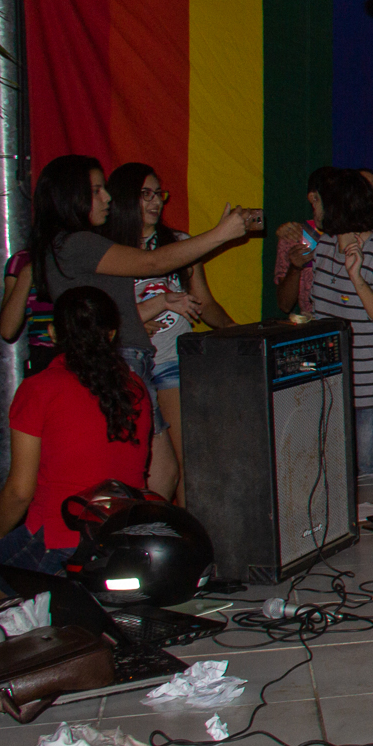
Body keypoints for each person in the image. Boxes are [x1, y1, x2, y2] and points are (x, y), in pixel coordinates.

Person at [0, 288, 152, 617]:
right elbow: (162, 470)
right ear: (111, 334)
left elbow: (20, 491)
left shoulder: (39, 389)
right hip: (124, 538)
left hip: (58, 538)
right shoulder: (136, 387)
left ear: (52, 333)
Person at [27, 155, 248, 410]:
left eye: (159, 194)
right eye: (97, 191)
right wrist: (220, 234)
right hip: (119, 358)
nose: (107, 198)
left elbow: (103, 311)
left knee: (154, 433)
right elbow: (151, 264)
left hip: (149, 357)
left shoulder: (76, 243)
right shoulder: (81, 244)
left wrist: (231, 327)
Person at [107, 163, 234, 501]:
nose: (155, 202)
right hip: (126, 363)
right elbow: (101, 314)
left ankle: (185, 526)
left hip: (172, 359)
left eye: (158, 194)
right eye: (145, 194)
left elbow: (204, 302)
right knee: (145, 466)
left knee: (187, 461)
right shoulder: (109, 250)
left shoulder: (179, 243)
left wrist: (235, 330)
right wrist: (135, 320)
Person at [310, 170, 373, 476]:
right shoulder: (325, 246)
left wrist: (357, 278)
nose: (315, 207)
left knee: (366, 466)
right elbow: (320, 311)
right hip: (334, 380)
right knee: (334, 468)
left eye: (320, 201)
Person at [272, 166, 337, 314]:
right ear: (313, 197)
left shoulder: (353, 236)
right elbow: (284, 305)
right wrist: (295, 268)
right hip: (312, 322)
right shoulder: (294, 236)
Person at [0, 247, 58, 376]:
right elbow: (7, 330)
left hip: (84, 352)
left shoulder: (84, 252)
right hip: (44, 357)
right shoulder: (23, 260)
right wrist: (28, 272)